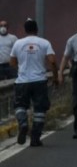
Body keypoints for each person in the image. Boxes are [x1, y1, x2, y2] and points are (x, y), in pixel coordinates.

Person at [9, 18, 58, 146]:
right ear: (37, 29)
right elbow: (52, 61)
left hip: (22, 81)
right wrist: (55, 77)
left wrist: (22, 68)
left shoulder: (18, 43)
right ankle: (35, 138)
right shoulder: (44, 43)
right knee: (40, 109)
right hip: (39, 81)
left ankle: (23, 123)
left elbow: (12, 62)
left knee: (20, 106)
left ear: (25, 30)